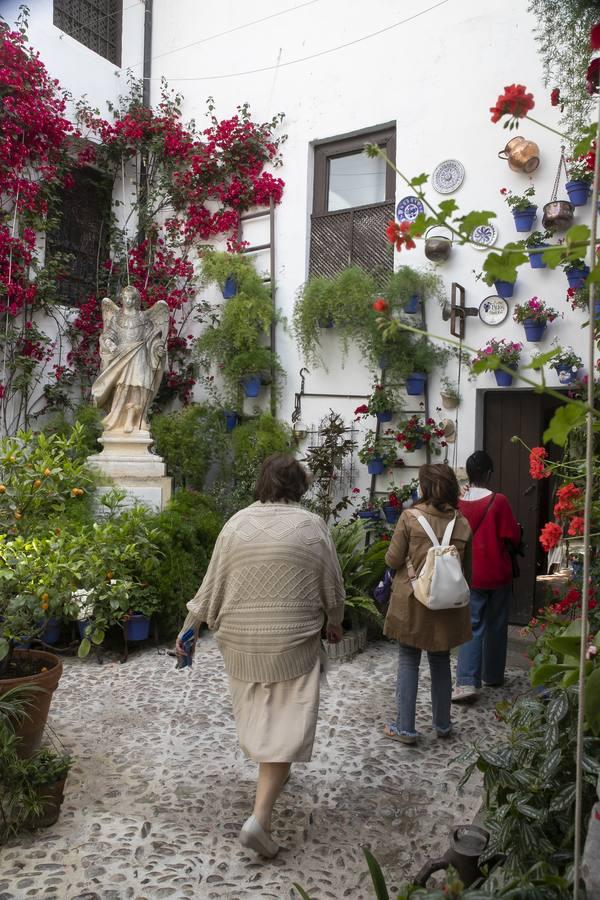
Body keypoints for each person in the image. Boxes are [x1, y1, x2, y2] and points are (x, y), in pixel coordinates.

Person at [175, 454, 345, 858]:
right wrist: (334, 623)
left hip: (241, 645)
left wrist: (188, 630)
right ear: (298, 486)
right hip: (293, 643)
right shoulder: (311, 526)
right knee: (285, 728)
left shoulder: (235, 525)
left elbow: (210, 586)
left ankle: (268, 790)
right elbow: (333, 587)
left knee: (265, 722)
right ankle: (260, 819)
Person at [383, 463, 472, 745]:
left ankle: (405, 728)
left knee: (409, 659)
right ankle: (443, 725)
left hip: (412, 603)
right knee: (441, 660)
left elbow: (392, 560)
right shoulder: (462, 523)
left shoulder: (410, 518)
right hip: (446, 604)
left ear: (424, 487)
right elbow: (462, 567)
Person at [452, 450, 521, 703]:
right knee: (497, 623)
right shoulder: (499, 501)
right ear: (489, 473)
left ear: (469, 474)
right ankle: (492, 675)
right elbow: (512, 535)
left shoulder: (459, 502)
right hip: (497, 572)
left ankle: (467, 681)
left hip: (470, 574)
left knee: (472, 624)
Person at [92, 285, 168, 434]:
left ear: (136, 300)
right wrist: (109, 342)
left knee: (140, 385)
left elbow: (153, 337)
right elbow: (109, 334)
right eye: (125, 298)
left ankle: (138, 419)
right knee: (123, 385)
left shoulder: (143, 317)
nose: (128, 301)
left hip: (140, 354)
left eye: (131, 298)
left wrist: (158, 347)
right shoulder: (116, 317)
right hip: (122, 356)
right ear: (122, 299)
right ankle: (118, 419)